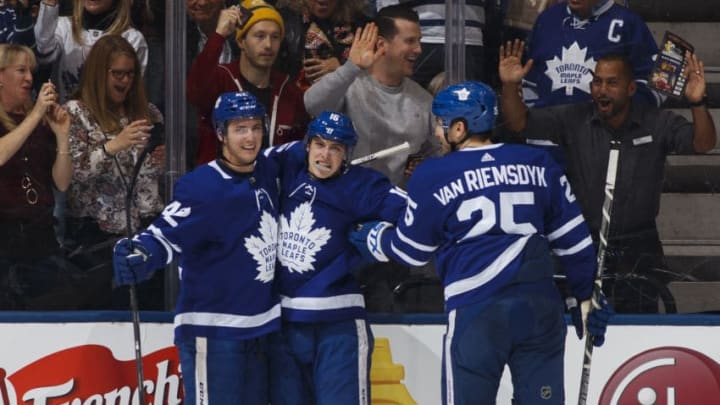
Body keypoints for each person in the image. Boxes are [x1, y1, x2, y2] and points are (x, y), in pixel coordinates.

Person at [349, 81, 613, 404]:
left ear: (459, 128)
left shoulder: (434, 174)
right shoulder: (538, 163)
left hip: (477, 310)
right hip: (539, 308)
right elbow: (573, 241)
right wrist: (584, 296)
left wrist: (373, 237)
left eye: (440, 123)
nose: (436, 132)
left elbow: (411, 251)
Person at [499, 41, 717, 312]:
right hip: (584, 242)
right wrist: (510, 86)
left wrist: (697, 102)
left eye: (611, 83)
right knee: (581, 325)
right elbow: (519, 123)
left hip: (639, 245)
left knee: (638, 328)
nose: (602, 90)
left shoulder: (657, 122)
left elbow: (703, 144)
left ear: (631, 88)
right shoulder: (574, 117)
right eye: (597, 82)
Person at [112, 91, 281, 404]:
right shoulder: (203, 186)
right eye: (240, 129)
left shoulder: (268, 172)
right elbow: (167, 232)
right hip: (213, 332)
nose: (250, 137)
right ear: (221, 134)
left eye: (256, 128)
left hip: (259, 330)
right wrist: (141, 252)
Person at [264, 111, 406, 404]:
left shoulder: (363, 186)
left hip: (338, 324)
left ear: (347, 153)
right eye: (320, 144)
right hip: (285, 322)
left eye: (336, 148)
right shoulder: (288, 171)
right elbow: (247, 162)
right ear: (308, 146)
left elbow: (416, 217)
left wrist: (380, 236)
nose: (325, 155)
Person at [61, 34, 163, 309]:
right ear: (98, 73)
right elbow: (72, 174)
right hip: (97, 240)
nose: (125, 81)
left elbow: (157, 178)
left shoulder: (149, 113)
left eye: (130, 74)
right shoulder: (75, 113)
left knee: (150, 311)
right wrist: (113, 146)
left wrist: (161, 162)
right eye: (117, 73)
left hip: (146, 231)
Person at [304, 6, 437, 188]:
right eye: (410, 41)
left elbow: (437, 151)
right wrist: (351, 67)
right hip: (343, 200)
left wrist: (425, 165)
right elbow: (312, 105)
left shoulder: (423, 100)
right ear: (381, 45)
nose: (419, 49)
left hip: (396, 206)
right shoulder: (349, 84)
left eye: (419, 41)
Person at [187, 0, 308, 166]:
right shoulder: (221, 78)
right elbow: (194, 93)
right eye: (259, 36)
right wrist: (219, 35)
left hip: (272, 188)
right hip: (221, 187)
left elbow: (298, 149)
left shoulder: (289, 90)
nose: (268, 45)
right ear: (241, 41)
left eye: (275, 37)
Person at [0, 43, 75, 309]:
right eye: (21, 70)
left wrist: (62, 135)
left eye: (31, 71)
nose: (30, 78)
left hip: (40, 239)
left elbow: (62, 182)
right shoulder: (34, 117)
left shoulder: (40, 121)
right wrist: (35, 114)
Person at [521, 0, 661, 107]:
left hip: (605, 138)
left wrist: (622, 117)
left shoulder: (629, 23)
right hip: (545, 137)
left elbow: (657, 83)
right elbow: (529, 83)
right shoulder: (547, 20)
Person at [34, 0, 147, 102]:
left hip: (109, 122)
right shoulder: (63, 27)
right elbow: (45, 52)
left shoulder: (132, 38)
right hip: (63, 120)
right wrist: (49, 3)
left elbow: (130, 95)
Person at [275, 0, 369, 90]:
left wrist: (342, 68)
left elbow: (373, 79)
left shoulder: (361, 25)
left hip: (347, 99)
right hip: (297, 100)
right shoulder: (284, 21)